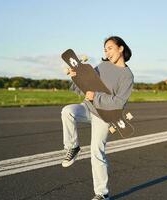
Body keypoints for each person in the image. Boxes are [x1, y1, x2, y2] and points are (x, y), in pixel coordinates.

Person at [61, 36, 134, 200]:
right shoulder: (103, 66)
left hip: (104, 115)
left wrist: (96, 97)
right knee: (67, 111)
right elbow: (86, 88)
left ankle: (102, 194)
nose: (107, 52)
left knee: (96, 152)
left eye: (110, 48)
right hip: (87, 108)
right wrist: (75, 78)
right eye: (105, 50)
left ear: (121, 48)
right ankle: (72, 147)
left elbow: (118, 103)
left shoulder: (127, 76)